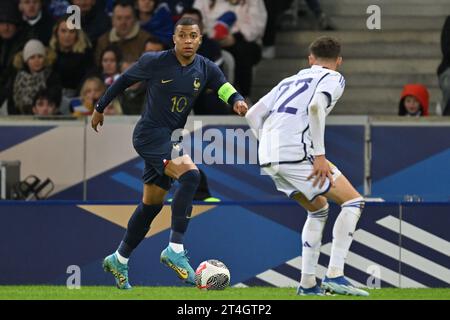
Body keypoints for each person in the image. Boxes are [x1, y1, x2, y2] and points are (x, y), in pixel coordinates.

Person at [92, 17, 248, 289]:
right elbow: (124, 81)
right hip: (149, 135)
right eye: (183, 36)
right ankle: (174, 250)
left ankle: (119, 258)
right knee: (191, 176)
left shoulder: (205, 67)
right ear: (174, 39)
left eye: (193, 36)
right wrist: (100, 106)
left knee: (151, 205)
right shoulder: (154, 61)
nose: (188, 41)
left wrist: (237, 101)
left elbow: (223, 86)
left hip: (168, 138)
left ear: (200, 40)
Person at [245, 36, 369, 296]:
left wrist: (267, 144)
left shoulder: (287, 81)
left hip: (268, 157)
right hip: (297, 153)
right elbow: (315, 107)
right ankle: (336, 274)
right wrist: (320, 155)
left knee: (319, 210)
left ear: (310, 59)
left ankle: (307, 284)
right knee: (353, 202)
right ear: (339, 61)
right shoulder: (334, 78)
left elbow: (252, 114)